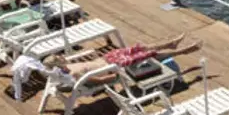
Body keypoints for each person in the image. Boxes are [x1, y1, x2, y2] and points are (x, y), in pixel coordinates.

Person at [45, 34, 202, 82]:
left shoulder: (68, 66)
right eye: (59, 57)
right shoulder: (73, 74)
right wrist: (115, 76)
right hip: (115, 66)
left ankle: (170, 42)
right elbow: (98, 80)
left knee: (139, 47)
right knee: (147, 55)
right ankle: (183, 51)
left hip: (108, 58)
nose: (61, 56)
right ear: (58, 65)